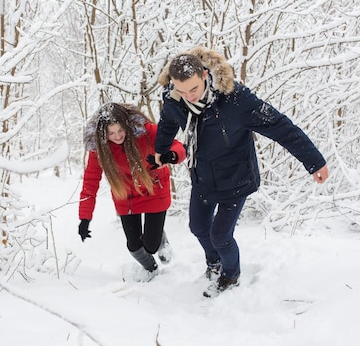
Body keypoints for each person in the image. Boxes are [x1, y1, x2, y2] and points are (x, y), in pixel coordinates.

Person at [152, 46, 329, 297]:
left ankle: (230, 276)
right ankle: (214, 263)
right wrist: (161, 149)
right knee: (198, 227)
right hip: (203, 176)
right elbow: (168, 122)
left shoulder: (236, 100)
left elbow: (280, 126)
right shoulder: (174, 98)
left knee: (220, 235)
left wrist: (314, 161)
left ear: (204, 75)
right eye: (182, 91)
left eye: (193, 89)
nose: (188, 96)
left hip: (236, 179)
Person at [78, 103, 186, 278]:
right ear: (103, 134)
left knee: (151, 244)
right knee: (134, 246)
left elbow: (176, 145)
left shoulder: (145, 132)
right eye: (111, 133)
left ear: (126, 124)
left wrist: (170, 156)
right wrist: (85, 217)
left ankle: (160, 240)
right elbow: (90, 182)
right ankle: (151, 270)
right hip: (125, 196)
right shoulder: (99, 149)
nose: (117, 136)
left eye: (120, 130)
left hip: (153, 189)